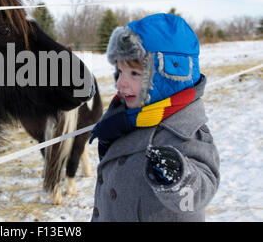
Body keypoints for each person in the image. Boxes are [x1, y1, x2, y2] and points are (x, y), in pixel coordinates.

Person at [90, 13, 220, 222]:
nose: (121, 83)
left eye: (134, 73)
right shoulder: (126, 119)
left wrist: (179, 177)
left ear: (169, 74)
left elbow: (201, 191)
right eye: (120, 71)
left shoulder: (186, 131)